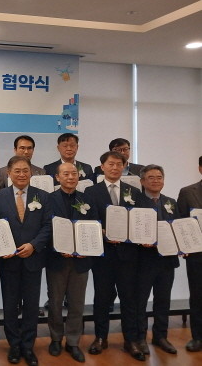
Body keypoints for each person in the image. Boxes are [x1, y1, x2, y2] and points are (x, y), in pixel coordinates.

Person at [84, 151, 152, 361]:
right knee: (102, 298)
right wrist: (102, 232)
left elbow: (140, 220)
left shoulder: (134, 192)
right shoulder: (91, 191)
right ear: (102, 167)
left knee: (129, 299)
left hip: (128, 255)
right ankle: (100, 337)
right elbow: (88, 220)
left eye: (118, 164)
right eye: (111, 164)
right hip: (103, 255)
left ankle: (130, 340)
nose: (115, 168)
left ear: (124, 167)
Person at [0, 156, 52, 366]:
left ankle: (28, 346)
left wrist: (33, 245)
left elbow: (48, 226)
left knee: (31, 306)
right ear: (9, 173)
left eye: (25, 170)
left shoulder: (43, 196)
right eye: (17, 171)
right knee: (10, 305)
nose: (21, 174)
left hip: (32, 258)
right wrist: (2, 249)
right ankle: (14, 345)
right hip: (8, 261)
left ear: (31, 173)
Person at [46, 162, 97, 363]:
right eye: (66, 174)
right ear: (57, 177)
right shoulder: (48, 199)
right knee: (55, 303)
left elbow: (94, 226)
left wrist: (87, 249)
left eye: (74, 173)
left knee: (77, 304)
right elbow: (45, 229)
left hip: (81, 261)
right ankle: (56, 339)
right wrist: (58, 247)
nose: (70, 177)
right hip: (57, 259)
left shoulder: (88, 200)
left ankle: (73, 341)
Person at [136, 165, 179, 355]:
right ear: (142, 181)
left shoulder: (171, 202)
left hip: (167, 260)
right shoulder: (134, 203)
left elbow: (178, 227)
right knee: (140, 301)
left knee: (163, 300)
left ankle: (161, 336)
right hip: (143, 261)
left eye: (159, 177)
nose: (155, 180)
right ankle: (140, 337)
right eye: (151, 177)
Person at [177, 155, 202, 352]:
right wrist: (183, 246)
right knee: (198, 296)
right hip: (197, 254)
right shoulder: (187, 192)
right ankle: (198, 337)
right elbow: (180, 221)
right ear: (200, 168)